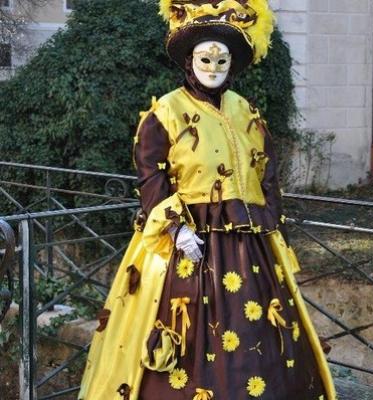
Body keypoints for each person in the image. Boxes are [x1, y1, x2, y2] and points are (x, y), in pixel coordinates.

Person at [78, 1, 338, 399]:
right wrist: (176, 228)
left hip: (251, 250)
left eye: (222, 60)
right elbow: (150, 174)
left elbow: (267, 173)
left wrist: (273, 226)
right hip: (187, 249)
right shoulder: (166, 111)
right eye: (206, 58)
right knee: (188, 337)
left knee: (261, 336)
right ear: (189, 60)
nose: (213, 67)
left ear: (232, 64)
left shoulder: (247, 111)